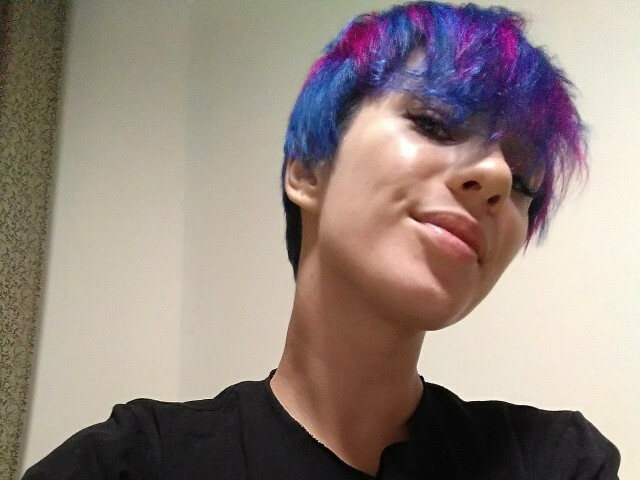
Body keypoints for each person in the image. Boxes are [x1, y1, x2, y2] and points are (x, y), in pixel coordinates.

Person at [23, 2, 620, 479]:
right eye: (435, 123)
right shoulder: (131, 463)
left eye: (524, 181)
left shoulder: (555, 462)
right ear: (307, 169)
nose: (494, 177)